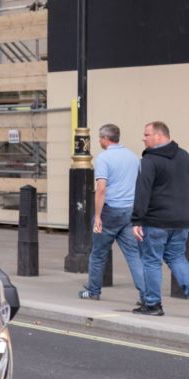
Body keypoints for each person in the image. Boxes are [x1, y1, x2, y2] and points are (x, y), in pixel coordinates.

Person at [78, 124, 146, 304]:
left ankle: (93, 291)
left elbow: (101, 189)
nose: (99, 141)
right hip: (130, 212)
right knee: (134, 255)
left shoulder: (104, 158)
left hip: (110, 211)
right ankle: (147, 296)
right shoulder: (133, 157)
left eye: (100, 138)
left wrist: (98, 216)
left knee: (98, 254)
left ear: (105, 139)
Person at [130, 121, 189, 316]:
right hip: (181, 220)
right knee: (177, 258)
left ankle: (153, 304)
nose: (143, 138)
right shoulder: (184, 156)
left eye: (147, 134)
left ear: (159, 136)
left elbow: (142, 191)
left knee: (151, 261)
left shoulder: (149, 160)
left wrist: (137, 220)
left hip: (156, 221)